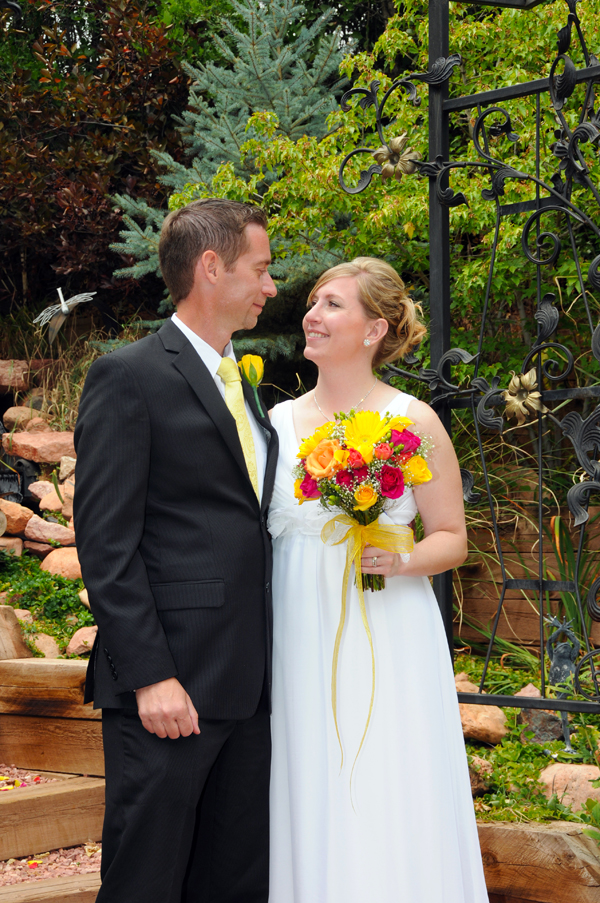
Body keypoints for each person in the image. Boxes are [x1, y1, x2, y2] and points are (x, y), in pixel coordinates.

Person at [73, 198, 279, 903]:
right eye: (261, 268)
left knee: (234, 883)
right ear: (212, 267)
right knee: (146, 881)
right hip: (171, 688)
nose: (271, 285)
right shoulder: (127, 375)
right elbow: (106, 545)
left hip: (249, 687)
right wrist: (151, 677)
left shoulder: (244, 383)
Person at [267, 258, 488, 902]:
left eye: (332, 304)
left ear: (374, 330)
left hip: (387, 624)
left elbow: (452, 536)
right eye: (314, 301)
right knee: (306, 767)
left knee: (384, 768)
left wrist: (401, 559)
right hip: (294, 628)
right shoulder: (275, 423)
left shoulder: (412, 419)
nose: (312, 315)